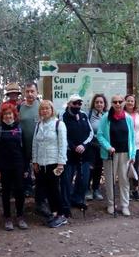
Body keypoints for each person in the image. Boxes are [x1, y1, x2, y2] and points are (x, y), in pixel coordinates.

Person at [97, 95, 136, 216]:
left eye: (120, 102)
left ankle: (125, 205)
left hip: (125, 154)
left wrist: (133, 154)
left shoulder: (128, 118)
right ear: (112, 103)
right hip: (110, 154)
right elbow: (99, 135)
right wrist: (108, 147)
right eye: (115, 102)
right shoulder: (105, 118)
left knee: (124, 180)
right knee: (110, 180)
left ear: (123, 103)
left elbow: (132, 138)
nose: (118, 104)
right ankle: (111, 204)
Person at [0, 103, 29, 230]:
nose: (8, 116)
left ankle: (20, 216)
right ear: (2, 116)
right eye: (6, 114)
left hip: (18, 165)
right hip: (4, 167)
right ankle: (7, 217)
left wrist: (25, 168)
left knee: (19, 191)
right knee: (6, 192)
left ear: (14, 115)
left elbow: (24, 150)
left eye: (10, 114)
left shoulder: (19, 129)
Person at [32, 100, 69, 228]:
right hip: (42, 163)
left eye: (47, 108)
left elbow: (63, 145)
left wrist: (61, 163)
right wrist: (35, 161)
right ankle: (53, 214)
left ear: (52, 110)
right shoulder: (38, 125)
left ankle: (61, 215)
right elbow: (34, 144)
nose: (45, 111)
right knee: (46, 190)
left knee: (54, 189)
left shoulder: (59, 124)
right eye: (42, 109)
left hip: (54, 162)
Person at [18, 82, 50, 217]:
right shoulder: (19, 107)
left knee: (41, 176)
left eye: (32, 91)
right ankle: (21, 206)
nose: (30, 94)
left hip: (40, 148)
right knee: (23, 175)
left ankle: (40, 203)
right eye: (27, 91)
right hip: (23, 148)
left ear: (37, 92)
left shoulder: (42, 107)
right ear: (24, 93)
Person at [60, 94, 93, 212]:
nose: (77, 105)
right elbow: (63, 135)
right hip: (69, 154)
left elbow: (91, 132)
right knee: (67, 180)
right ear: (69, 104)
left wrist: (84, 145)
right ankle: (66, 204)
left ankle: (78, 200)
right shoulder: (63, 116)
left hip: (84, 153)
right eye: (75, 103)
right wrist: (73, 147)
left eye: (79, 103)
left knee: (83, 179)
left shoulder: (84, 115)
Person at [124, 94, 139, 201]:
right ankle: (126, 190)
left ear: (135, 103)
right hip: (124, 145)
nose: (130, 103)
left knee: (135, 167)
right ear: (125, 102)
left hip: (137, 145)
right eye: (128, 101)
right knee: (124, 168)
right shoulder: (122, 114)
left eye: (132, 101)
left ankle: (135, 189)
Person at [87, 93, 107, 201]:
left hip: (102, 146)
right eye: (97, 102)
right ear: (94, 103)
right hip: (91, 146)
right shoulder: (89, 114)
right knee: (90, 168)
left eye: (101, 102)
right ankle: (87, 189)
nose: (99, 104)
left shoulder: (107, 115)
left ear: (104, 104)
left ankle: (96, 189)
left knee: (99, 168)